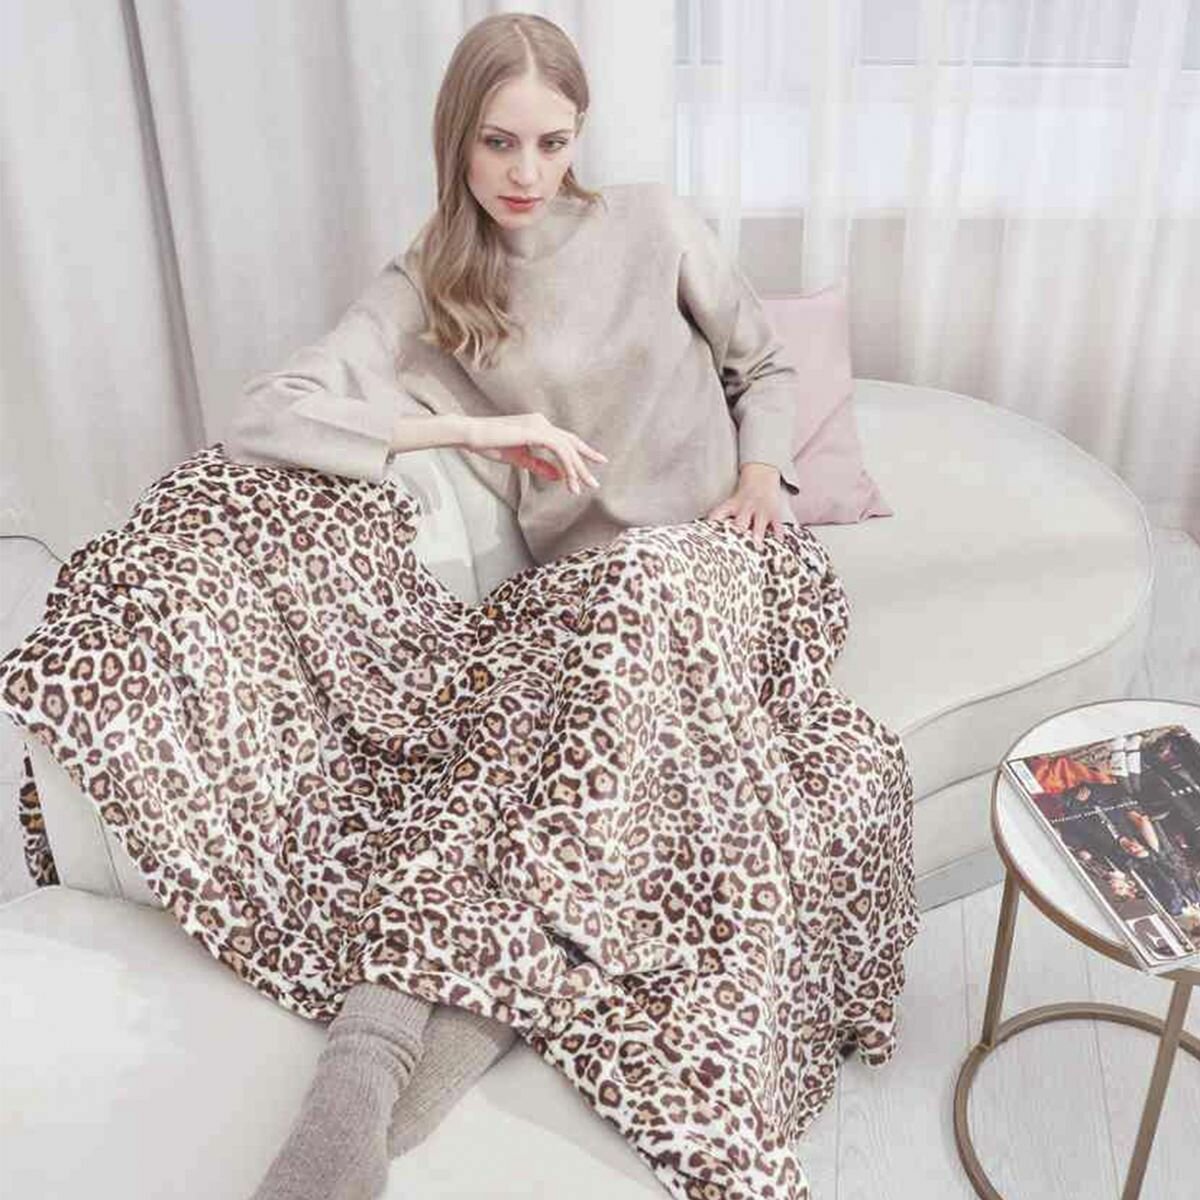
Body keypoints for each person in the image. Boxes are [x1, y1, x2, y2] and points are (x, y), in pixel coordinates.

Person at [228, 12, 805, 1199]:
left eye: (552, 142)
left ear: (581, 134)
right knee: (497, 789)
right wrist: (477, 430)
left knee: (590, 678)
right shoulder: (435, 278)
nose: (527, 173)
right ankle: (361, 1085)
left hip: (716, 566)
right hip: (579, 608)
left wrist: (760, 475)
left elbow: (765, 364)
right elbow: (266, 413)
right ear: (459, 139)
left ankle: (386, 1069)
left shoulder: (654, 223)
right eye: (498, 143)